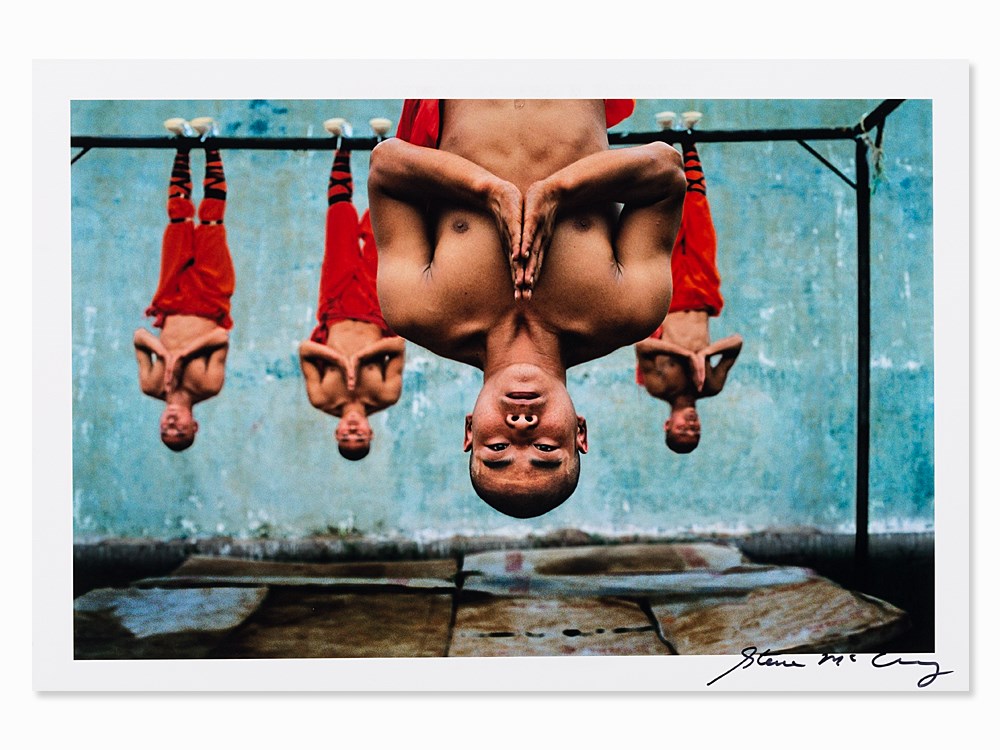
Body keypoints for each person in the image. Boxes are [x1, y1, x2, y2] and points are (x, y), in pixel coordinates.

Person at [369, 99, 685, 517]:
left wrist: (489, 191)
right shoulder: (630, 310)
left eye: (497, 449)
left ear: (469, 430)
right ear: (580, 433)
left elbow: (386, 166)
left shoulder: (417, 310)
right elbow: (666, 170)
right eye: (546, 449)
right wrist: (559, 191)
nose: (521, 428)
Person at [634, 141, 743, 453]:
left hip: (667, 294)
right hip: (702, 294)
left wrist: (684, 355)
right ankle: (689, 144)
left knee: (664, 223)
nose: (691, 425)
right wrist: (704, 355)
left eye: (683, 430)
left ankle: (661, 148)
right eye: (695, 431)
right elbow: (736, 342)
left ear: (668, 424)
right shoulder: (710, 385)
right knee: (698, 219)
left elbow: (643, 345)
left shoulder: (659, 387)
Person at [299, 143, 405, 460]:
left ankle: (341, 148)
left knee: (340, 228)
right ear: (370, 433)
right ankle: (382, 145)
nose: (353, 431)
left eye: (347, 436)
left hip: (336, 306)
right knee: (379, 231)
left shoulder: (321, 397)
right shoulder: (386, 394)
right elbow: (398, 346)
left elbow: (305, 350)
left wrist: (340, 360)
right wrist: (359, 360)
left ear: (337, 432)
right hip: (376, 308)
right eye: (359, 437)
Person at [134, 119, 234, 451]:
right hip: (210, 298)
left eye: (166, 431)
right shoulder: (208, 386)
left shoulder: (150, 385)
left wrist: (164, 353)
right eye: (181, 431)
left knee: (178, 220)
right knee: (210, 222)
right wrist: (182, 357)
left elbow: (139, 337)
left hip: (172, 298)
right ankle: (211, 143)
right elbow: (220, 337)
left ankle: (183, 146)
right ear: (195, 425)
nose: (172, 425)